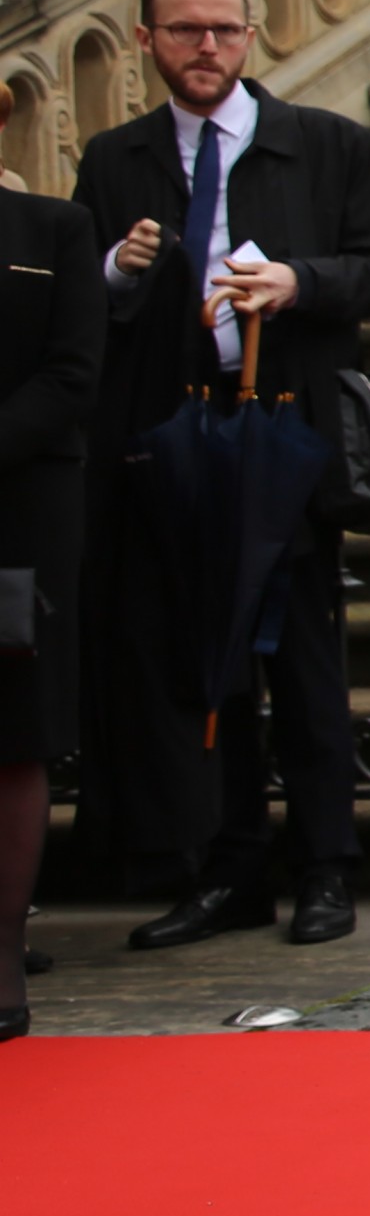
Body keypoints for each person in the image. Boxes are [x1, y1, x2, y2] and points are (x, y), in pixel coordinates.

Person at [76, 0, 370, 952]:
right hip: (172, 434)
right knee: (196, 661)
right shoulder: (114, 156)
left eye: (222, 29)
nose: (205, 48)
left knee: (301, 655)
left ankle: (326, 865)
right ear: (148, 42)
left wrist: (295, 282)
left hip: (285, 430)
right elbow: (84, 310)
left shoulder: (325, 145)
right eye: (184, 31)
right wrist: (115, 270)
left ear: (251, 34)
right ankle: (228, 870)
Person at [0, 186, 102, 1040]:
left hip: (20, 506)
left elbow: (72, 371)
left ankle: (2, 953)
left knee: (15, 731)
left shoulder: (53, 229)